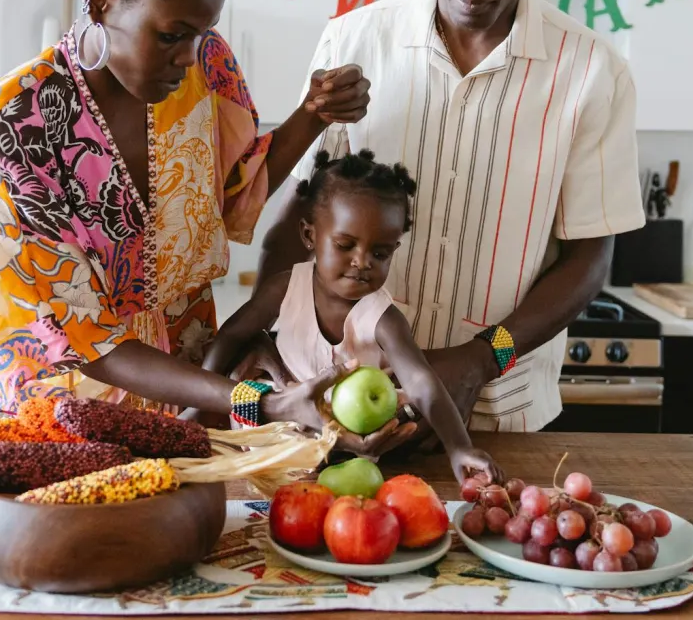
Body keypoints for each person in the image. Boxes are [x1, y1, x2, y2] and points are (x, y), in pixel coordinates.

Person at [256, 0, 646, 449]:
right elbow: (297, 222)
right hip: (347, 407)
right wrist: (265, 342)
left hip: (501, 412)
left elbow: (589, 261)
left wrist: (481, 359)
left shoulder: (591, 73)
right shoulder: (354, 42)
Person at [0, 0, 372, 433]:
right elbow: (87, 337)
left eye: (204, 32)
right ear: (101, 0)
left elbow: (236, 192)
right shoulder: (14, 125)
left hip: (195, 405)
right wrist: (252, 400)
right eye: (172, 35)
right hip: (71, 426)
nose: (190, 56)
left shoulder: (209, 67)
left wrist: (313, 115)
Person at [204, 150, 501, 483]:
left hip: (357, 437)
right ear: (309, 236)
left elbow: (420, 381)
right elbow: (232, 335)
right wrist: (200, 406)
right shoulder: (284, 288)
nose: (362, 261)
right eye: (345, 245)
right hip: (288, 420)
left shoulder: (383, 317)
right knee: (251, 400)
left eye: (380, 253)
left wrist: (459, 448)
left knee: (404, 417)